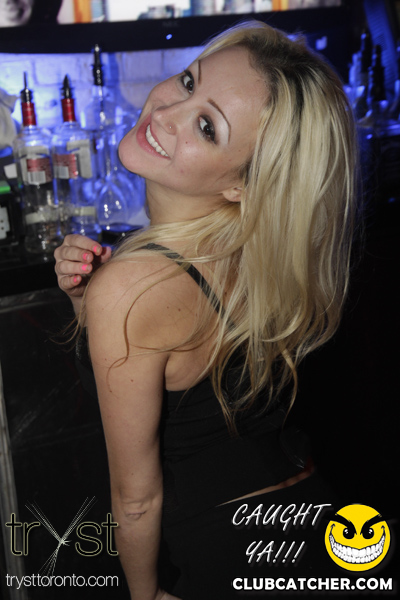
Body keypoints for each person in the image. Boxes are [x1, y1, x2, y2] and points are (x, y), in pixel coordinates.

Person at [54, 21, 358, 600]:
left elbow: (137, 497)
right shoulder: (260, 254)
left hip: (231, 553)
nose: (167, 112)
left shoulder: (134, 285)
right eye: (189, 82)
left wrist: (144, 594)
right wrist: (88, 299)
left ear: (242, 184)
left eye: (206, 126)